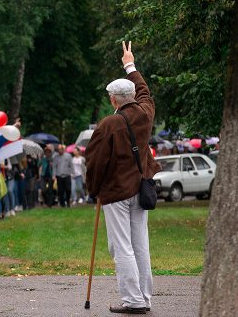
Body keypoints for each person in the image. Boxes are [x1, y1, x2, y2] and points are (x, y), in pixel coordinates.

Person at [85, 41, 161, 314]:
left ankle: (133, 300)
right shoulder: (146, 112)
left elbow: (94, 162)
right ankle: (145, 297)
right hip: (140, 189)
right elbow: (144, 91)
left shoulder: (109, 124)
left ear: (113, 99)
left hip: (116, 192)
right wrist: (130, 64)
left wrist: (93, 189)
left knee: (121, 247)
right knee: (140, 245)